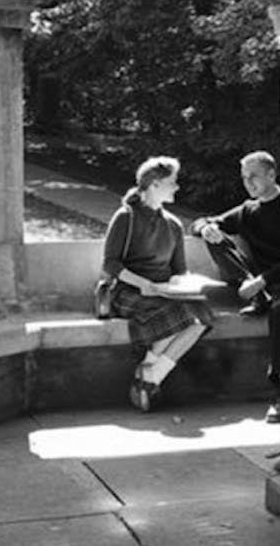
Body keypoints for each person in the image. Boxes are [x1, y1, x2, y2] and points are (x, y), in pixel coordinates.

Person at [190, 151, 280, 423]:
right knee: (216, 239)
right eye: (245, 178)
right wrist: (206, 228)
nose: (248, 183)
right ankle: (260, 297)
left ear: (272, 175)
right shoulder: (248, 209)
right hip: (259, 283)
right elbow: (200, 221)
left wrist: (263, 280)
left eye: (254, 177)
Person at [102, 156, 213, 413]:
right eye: (172, 182)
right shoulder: (125, 217)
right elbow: (110, 265)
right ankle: (147, 381)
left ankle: (151, 373)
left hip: (162, 294)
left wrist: (180, 284)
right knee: (178, 316)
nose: (177, 188)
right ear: (154, 184)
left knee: (202, 317)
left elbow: (179, 270)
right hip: (128, 292)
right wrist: (143, 284)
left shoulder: (173, 224)